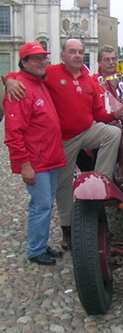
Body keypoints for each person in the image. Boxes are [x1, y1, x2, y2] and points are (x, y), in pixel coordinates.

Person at [5, 38, 123, 251]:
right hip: (63, 139)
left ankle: (100, 180)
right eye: (72, 51)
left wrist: (114, 114)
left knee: (112, 133)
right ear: (63, 56)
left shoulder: (90, 80)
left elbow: (98, 113)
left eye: (80, 52)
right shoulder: (50, 73)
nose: (77, 55)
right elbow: (24, 76)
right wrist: (9, 80)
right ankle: (68, 229)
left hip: (87, 131)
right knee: (62, 187)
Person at [4, 43, 67, 265]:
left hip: (49, 158)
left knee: (45, 204)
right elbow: (14, 133)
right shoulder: (20, 89)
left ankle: (40, 243)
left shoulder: (38, 82)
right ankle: (36, 249)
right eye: (35, 58)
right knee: (41, 205)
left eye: (43, 58)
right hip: (36, 161)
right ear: (24, 62)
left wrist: (7, 78)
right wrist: (25, 165)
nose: (42, 62)